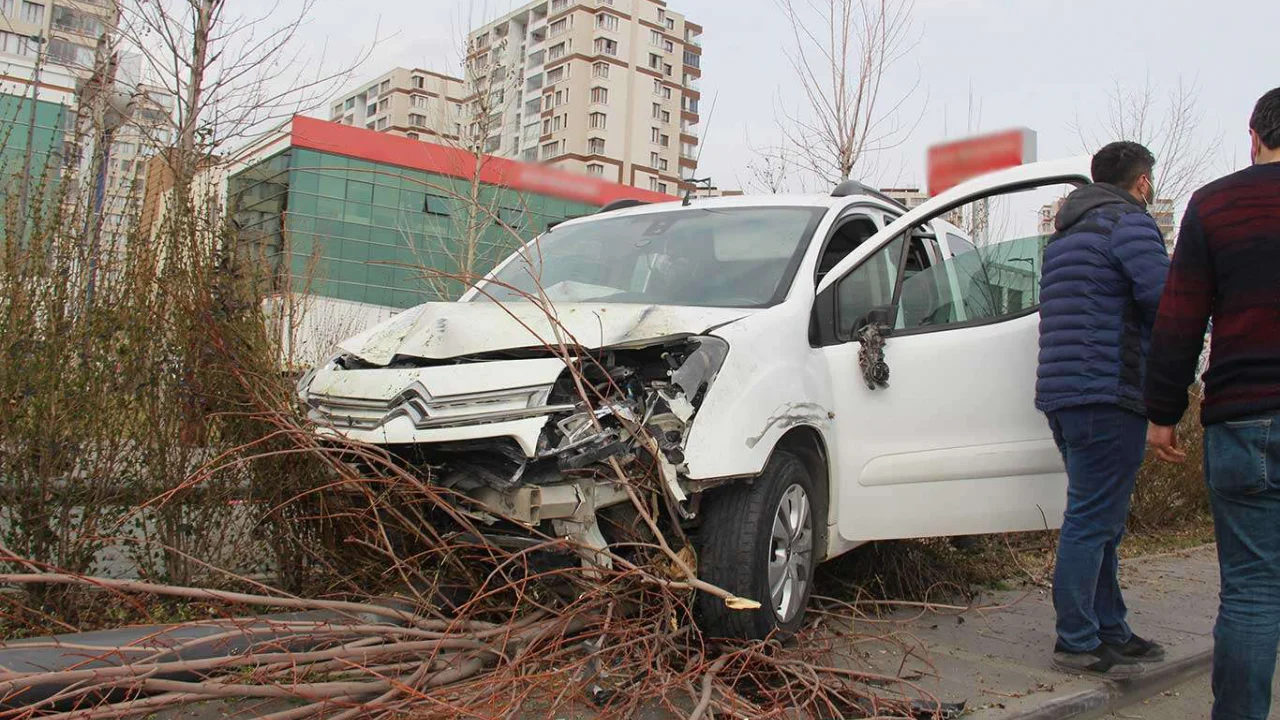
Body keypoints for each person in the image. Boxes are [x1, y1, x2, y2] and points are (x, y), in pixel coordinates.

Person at [1145, 87, 1280, 720]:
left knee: (1252, 592)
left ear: (1253, 137)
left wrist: (1163, 412)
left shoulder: (1216, 204)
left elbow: (1180, 319)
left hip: (1244, 415)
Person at [1036, 141, 1171, 676]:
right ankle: (1076, 638)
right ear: (1141, 183)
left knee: (1102, 519)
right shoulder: (1130, 225)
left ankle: (1110, 628)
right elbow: (1167, 301)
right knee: (1093, 520)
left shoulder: (1066, 237)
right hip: (1108, 392)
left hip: (1064, 395)